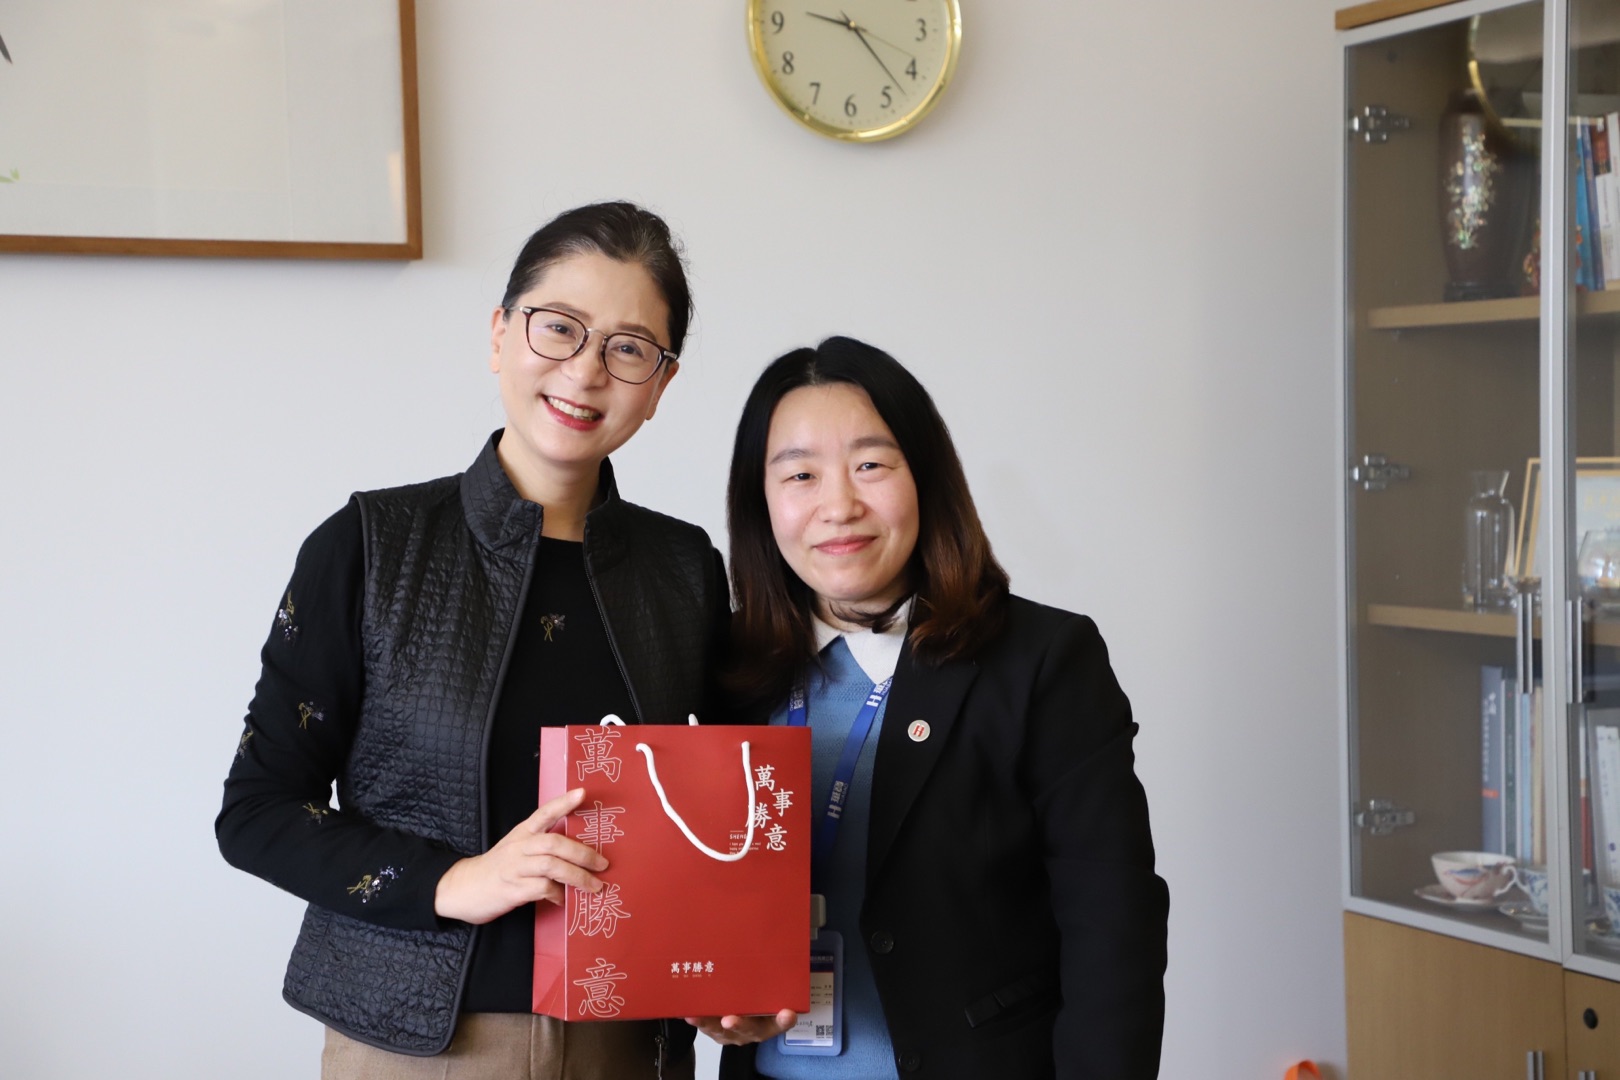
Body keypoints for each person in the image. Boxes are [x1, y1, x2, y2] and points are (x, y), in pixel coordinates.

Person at [216, 202, 727, 1079]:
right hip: (414, 1045)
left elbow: (723, 813)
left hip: (628, 1046)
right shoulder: (371, 545)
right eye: (558, 327)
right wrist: (453, 882)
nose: (585, 371)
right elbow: (257, 812)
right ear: (499, 333)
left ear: (661, 384)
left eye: (628, 348)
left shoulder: (686, 570)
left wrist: (731, 970)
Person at [695, 337, 1169, 1079]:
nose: (839, 505)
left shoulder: (1042, 660)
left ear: (927, 477)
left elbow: (1113, 926)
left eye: (871, 465)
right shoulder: (725, 670)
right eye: (800, 474)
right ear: (761, 501)